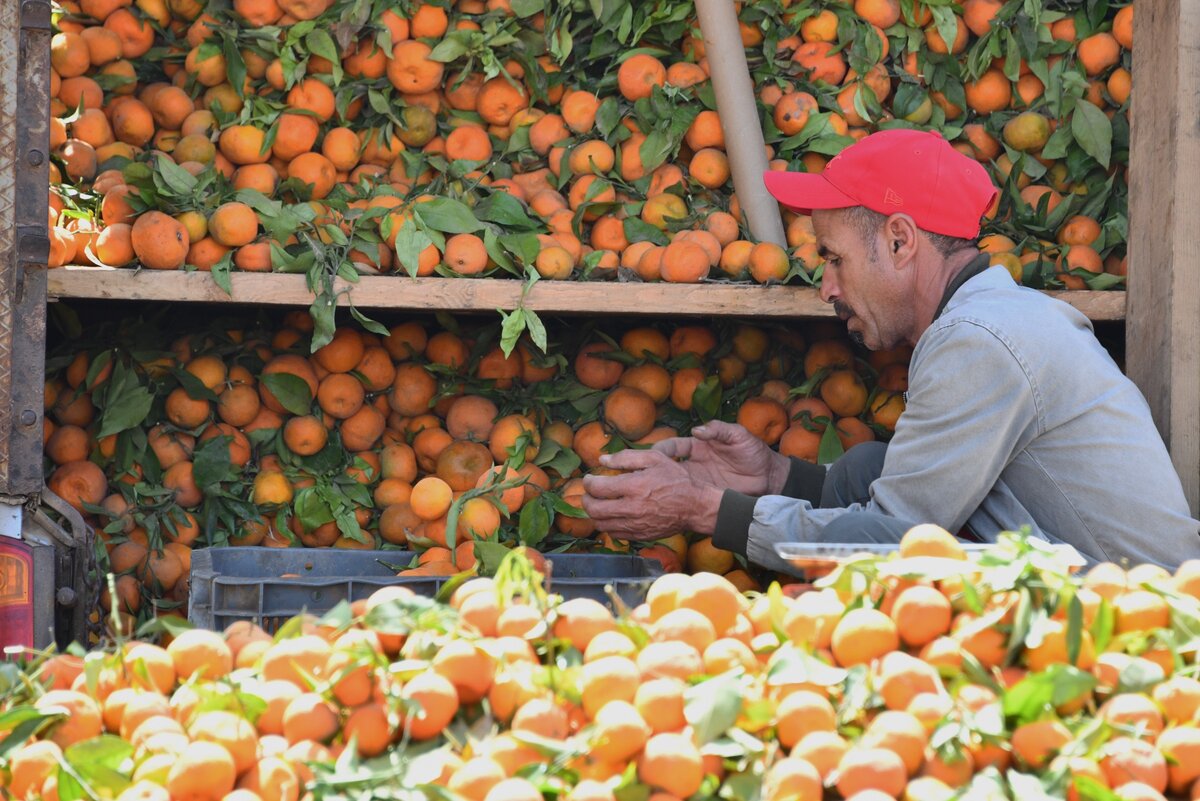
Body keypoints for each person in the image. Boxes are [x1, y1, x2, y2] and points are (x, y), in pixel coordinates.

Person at [581, 129, 1199, 571]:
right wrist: (773, 476)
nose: (826, 285)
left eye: (834, 258)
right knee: (867, 465)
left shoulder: (976, 342)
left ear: (900, 241)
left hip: (1145, 625)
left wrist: (702, 509)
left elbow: (892, 543)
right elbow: (901, 487)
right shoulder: (993, 318)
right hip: (1120, 595)